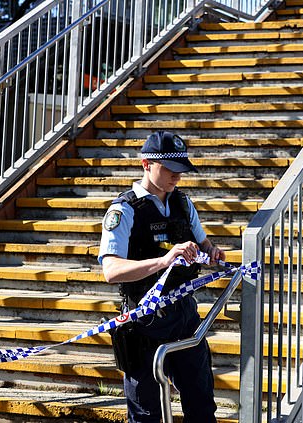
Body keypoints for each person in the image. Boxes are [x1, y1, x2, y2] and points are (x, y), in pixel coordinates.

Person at [98, 131, 225, 423]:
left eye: (181, 170)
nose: (177, 177)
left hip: (185, 317)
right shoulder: (124, 210)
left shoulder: (182, 203)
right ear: (146, 164)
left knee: (202, 406)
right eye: (170, 169)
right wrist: (164, 260)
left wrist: (213, 252)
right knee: (146, 415)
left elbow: (204, 243)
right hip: (144, 322)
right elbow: (111, 271)